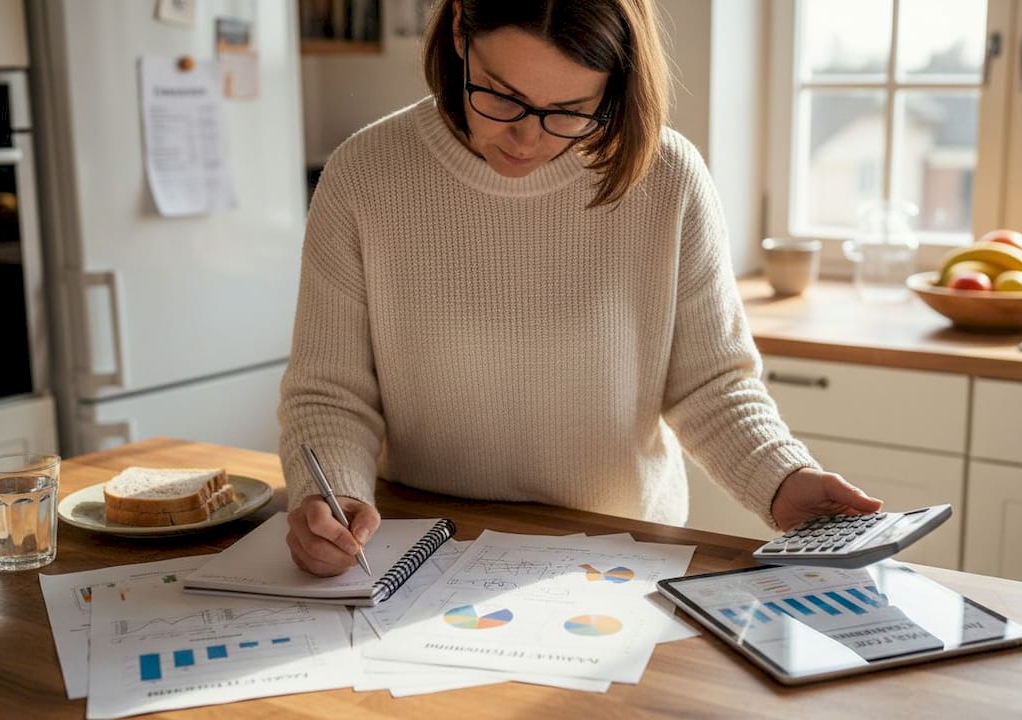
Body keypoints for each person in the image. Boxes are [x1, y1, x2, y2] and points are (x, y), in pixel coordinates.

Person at [278, 0, 882, 577]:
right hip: (424, 546)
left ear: (614, 84)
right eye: (501, 96)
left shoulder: (667, 179)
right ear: (459, 29)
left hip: (618, 552)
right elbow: (330, 393)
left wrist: (782, 481)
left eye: (568, 109)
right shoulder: (365, 174)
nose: (527, 139)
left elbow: (709, 385)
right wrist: (330, 496)